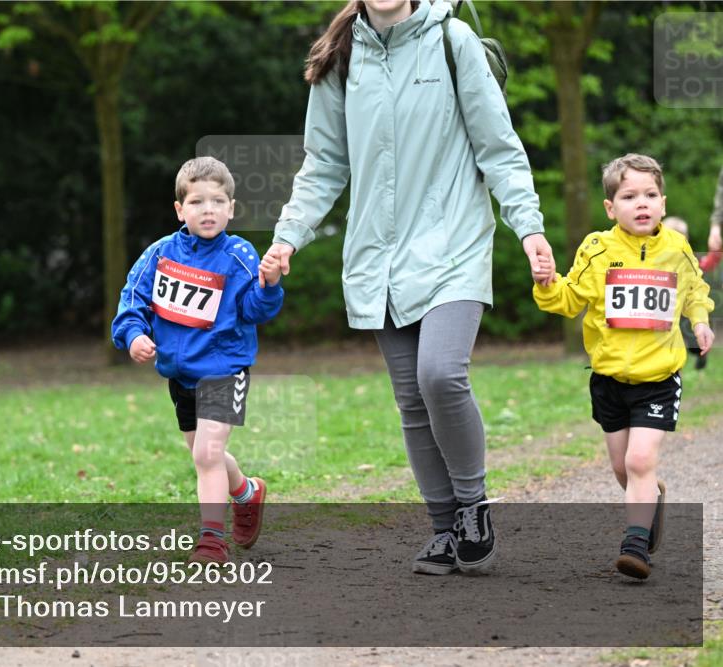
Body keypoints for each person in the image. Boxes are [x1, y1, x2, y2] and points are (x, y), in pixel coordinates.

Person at [260, 0, 554, 575]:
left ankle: (474, 508)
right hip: (379, 258)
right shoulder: (341, 58)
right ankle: (446, 531)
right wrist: (288, 236)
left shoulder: (455, 41)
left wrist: (530, 227)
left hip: (454, 245)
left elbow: (499, 146)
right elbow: (323, 164)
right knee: (412, 403)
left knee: (440, 374)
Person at [533, 154, 715, 580]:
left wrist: (701, 321)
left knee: (638, 460)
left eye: (650, 195)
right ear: (610, 208)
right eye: (629, 196)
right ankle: (650, 496)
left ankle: (636, 546)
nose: (642, 204)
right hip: (610, 379)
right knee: (622, 467)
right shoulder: (598, 249)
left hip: (658, 379)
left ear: (664, 203)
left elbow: (695, 290)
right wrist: (546, 282)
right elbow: (569, 299)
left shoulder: (676, 248)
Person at [112, 157, 284, 564]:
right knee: (204, 453)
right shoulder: (160, 254)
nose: (208, 210)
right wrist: (134, 335)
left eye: (218, 201)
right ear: (179, 210)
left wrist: (270, 285)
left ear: (232, 208)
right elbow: (132, 302)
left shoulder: (239, 253)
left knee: (206, 455)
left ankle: (211, 542)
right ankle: (246, 492)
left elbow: (254, 309)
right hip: (180, 373)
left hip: (226, 369)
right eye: (197, 202)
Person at [662, 216, 721, 370]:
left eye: (681, 236)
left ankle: (701, 354)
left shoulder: (691, 259)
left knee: (693, 337)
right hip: (667, 312)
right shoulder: (657, 260)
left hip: (688, 309)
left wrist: (716, 250)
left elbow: (707, 263)